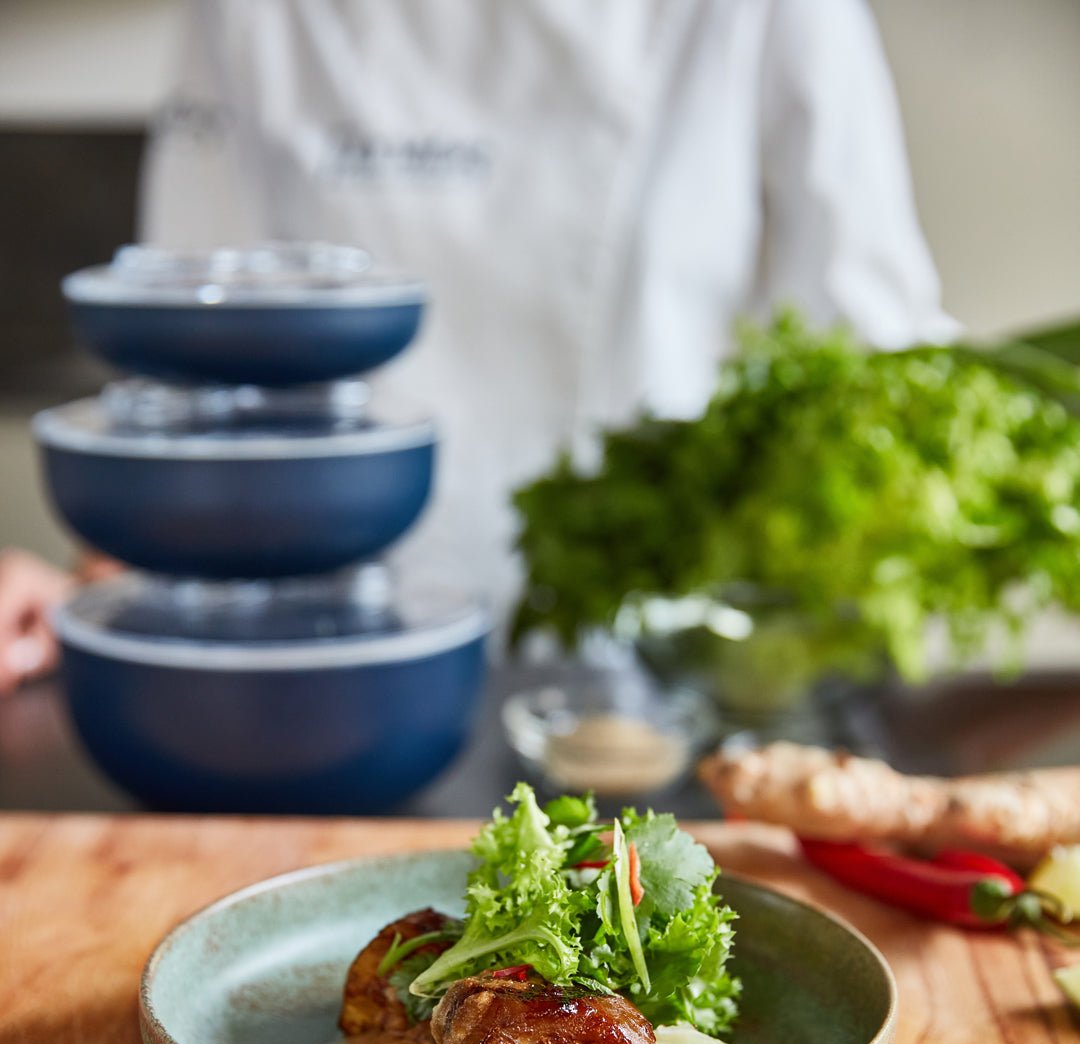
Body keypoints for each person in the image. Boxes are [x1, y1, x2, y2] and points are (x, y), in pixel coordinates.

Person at [1, 0, 952, 691]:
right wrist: (94, 596)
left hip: (649, 686)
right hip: (330, 670)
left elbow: (873, 357)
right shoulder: (252, 16)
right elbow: (195, 369)